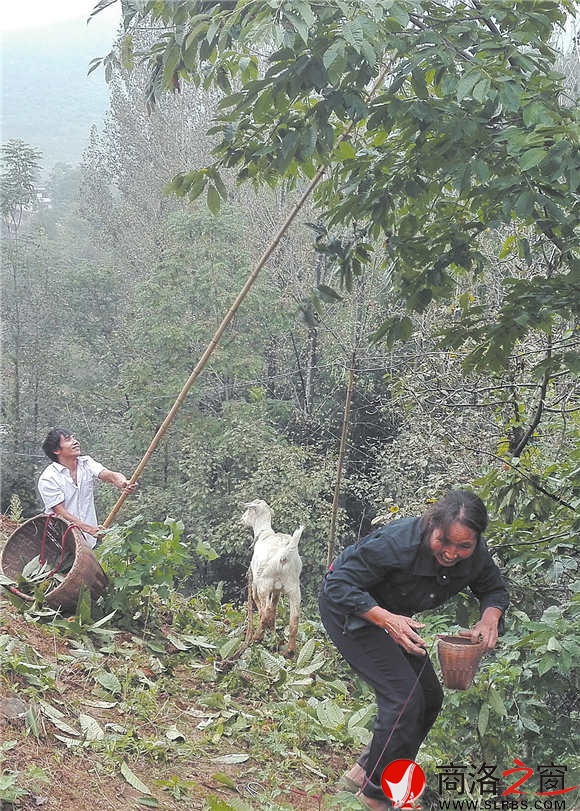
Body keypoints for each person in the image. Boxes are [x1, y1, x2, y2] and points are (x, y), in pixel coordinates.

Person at [319, 490, 509, 811]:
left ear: (476, 539)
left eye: (464, 546)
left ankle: (365, 771)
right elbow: (337, 583)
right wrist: (385, 619)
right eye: (443, 541)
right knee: (403, 699)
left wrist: (489, 619)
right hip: (350, 611)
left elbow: (493, 589)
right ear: (432, 525)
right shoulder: (397, 543)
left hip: (395, 618)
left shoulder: (476, 555)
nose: (452, 553)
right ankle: (375, 797)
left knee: (429, 699)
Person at [37, 427, 135, 548]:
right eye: (68, 439)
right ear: (56, 450)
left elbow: (110, 475)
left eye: (74, 438)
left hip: (90, 540)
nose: (75, 442)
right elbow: (60, 512)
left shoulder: (86, 463)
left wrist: (122, 482)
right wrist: (89, 529)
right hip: (63, 542)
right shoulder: (48, 478)